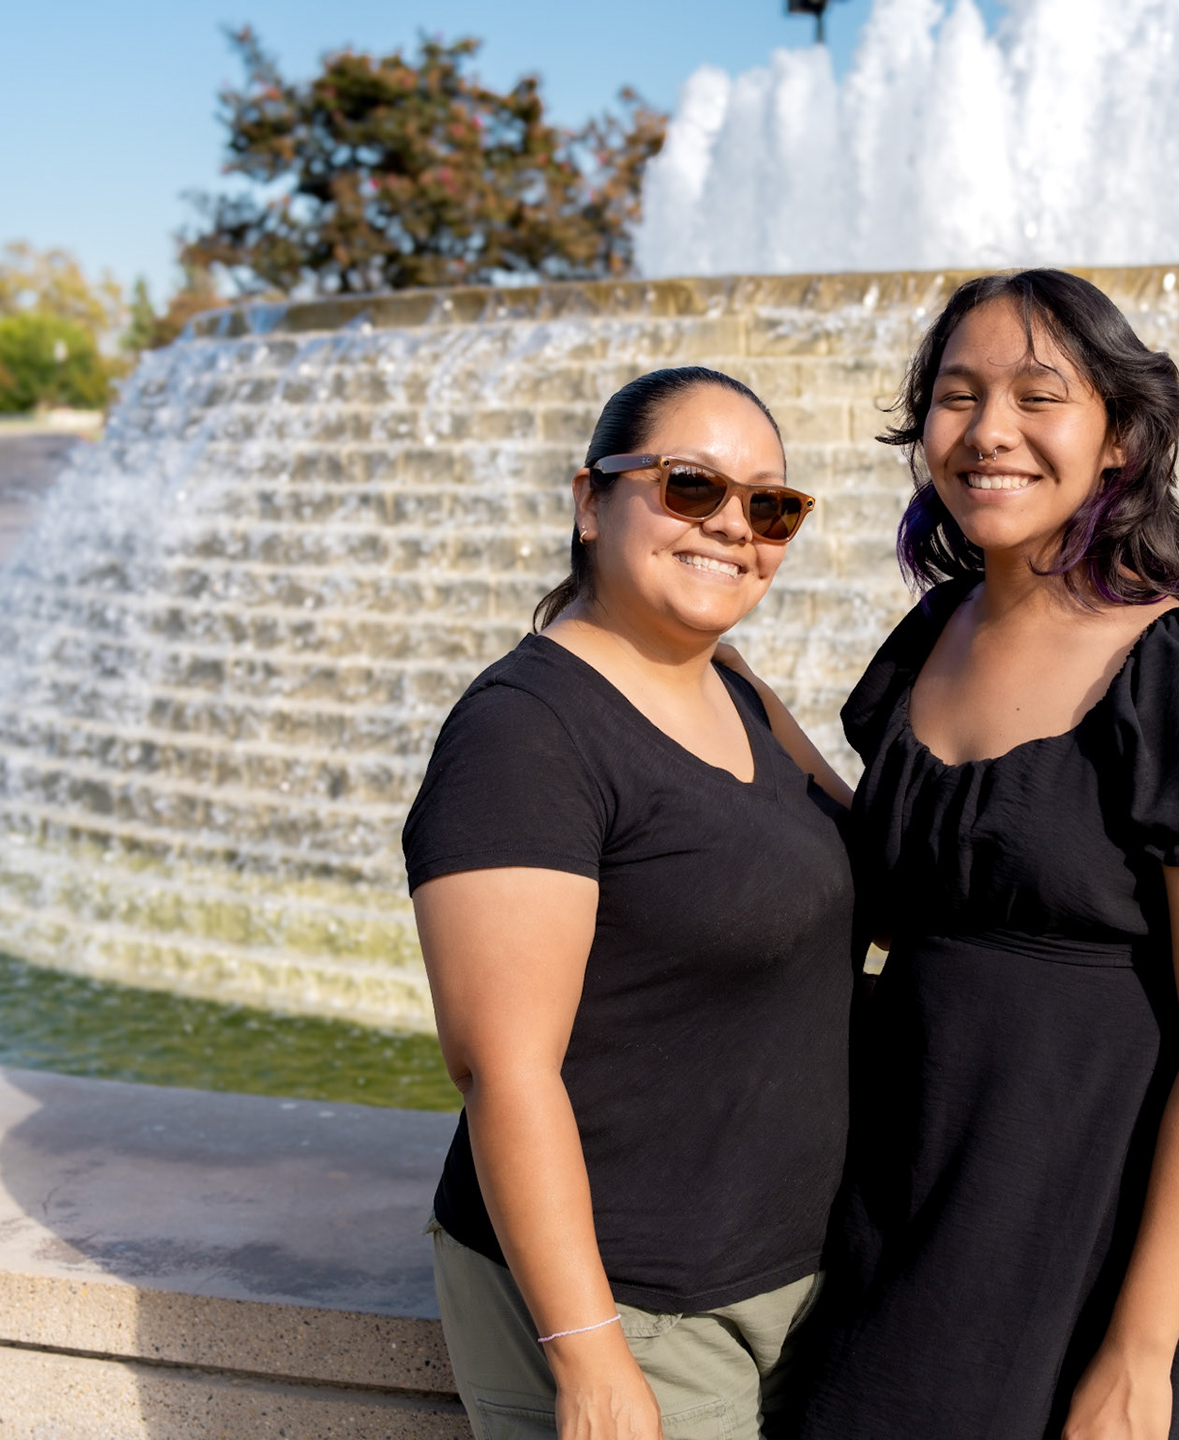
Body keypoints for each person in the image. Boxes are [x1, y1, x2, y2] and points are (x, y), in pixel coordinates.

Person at [792, 270, 1179, 1440]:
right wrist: (708, 689)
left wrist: (1140, 1351)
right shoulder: (931, 637)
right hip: (910, 1200)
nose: (990, 432)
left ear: (1119, 438)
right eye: (957, 396)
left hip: (1094, 1236)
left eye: (1039, 397)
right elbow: (899, 874)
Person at [403, 366, 857, 1440]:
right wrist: (590, 1355)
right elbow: (503, 1068)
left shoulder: (734, 686)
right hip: (633, 1305)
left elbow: (883, 878)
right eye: (691, 486)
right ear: (589, 500)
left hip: (788, 1278)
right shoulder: (523, 734)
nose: (734, 525)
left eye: (771, 505)